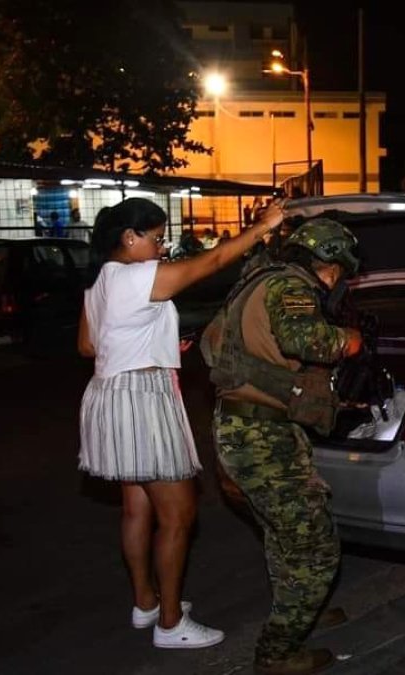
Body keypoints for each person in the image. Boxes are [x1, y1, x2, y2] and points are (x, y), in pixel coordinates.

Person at [77, 197, 285, 649]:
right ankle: (171, 624)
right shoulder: (136, 276)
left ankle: (146, 603)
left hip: (109, 395)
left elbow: (88, 346)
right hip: (143, 401)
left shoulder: (101, 282)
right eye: (155, 237)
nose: (162, 245)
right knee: (178, 514)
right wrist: (262, 228)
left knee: (136, 508)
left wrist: (146, 342)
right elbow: (210, 261)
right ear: (129, 238)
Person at [203, 218, 363, 675]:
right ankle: (277, 650)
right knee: (317, 550)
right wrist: (347, 342)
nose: (339, 282)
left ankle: (301, 610)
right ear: (329, 264)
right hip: (260, 437)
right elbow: (305, 339)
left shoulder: (259, 279)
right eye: (340, 273)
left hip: (255, 428)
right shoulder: (291, 288)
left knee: (283, 534)